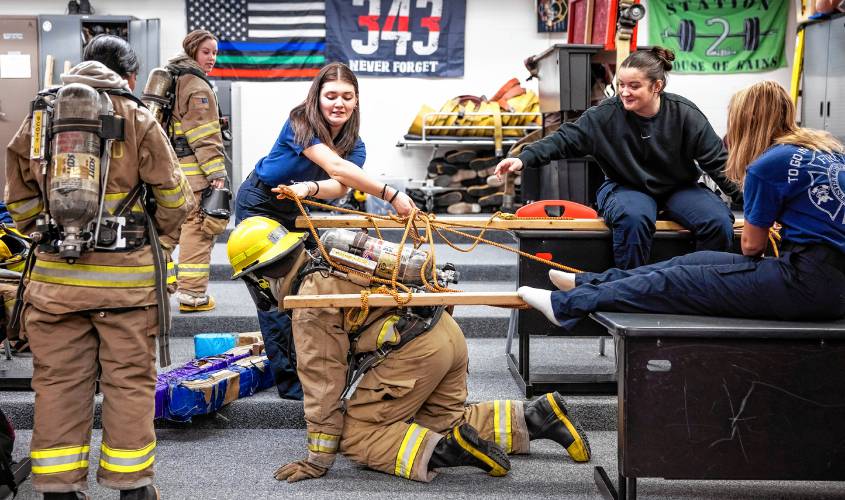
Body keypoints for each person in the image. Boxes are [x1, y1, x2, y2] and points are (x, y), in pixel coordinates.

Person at [226, 216, 592, 483]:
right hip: (445, 334)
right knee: (437, 420)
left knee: (356, 436)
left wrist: (319, 458)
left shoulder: (310, 302)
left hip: (414, 355)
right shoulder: (332, 254)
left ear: (261, 275)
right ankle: (537, 417)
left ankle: (448, 450)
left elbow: (323, 383)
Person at [5, 35, 193, 499]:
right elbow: (173, 194)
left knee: (57, 385)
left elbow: (19, 195)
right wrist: (161, 240)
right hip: (127, 289)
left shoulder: (40, 115)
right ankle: (133, 488)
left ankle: (58, 489)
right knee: (128, 384)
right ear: (130, 75)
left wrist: (43, 232)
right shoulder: (137, 115)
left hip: (54, 286)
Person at [517, 81, 845, 330]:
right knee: (694, 261)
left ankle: (565, 305)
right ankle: (590, 282)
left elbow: (751, 247)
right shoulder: (829, 150)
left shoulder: (768, 163)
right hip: (825, 277)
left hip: (809, 285)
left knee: (677, 282)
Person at [234, 62, 416, 399]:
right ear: (317, 97)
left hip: (294, 207)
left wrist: (308, 190)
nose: (339, 103)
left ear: (356, 101)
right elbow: (335, 166)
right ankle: (291, 384)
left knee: (302, 289)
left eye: (347, 96)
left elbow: (339, 185)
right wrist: (391, 194)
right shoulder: (299, 121)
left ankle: (311, 367)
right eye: (331, 95)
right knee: (273, 294)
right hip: (259, 202)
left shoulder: (353, 143)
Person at [495, 46, 742, 269]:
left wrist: (752, 202)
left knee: (718, 222)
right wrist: (524, 158)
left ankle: (702, 284)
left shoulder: (685, 114)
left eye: (634, 86)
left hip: (679, 188)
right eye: (621, 84)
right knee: (633, 219)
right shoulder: (605, 115)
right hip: (626, 187)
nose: (624, 92)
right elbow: (564, 139)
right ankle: (631, 290)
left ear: (657, 86)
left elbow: (719, 164)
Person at [159, 29, 229, 313]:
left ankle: (157, 287)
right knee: (198, 231)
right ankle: (192, 296)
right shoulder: (197, 86)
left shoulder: (172, 79)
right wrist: (216, 174)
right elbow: (204, 137)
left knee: (164, 234)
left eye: (214, 52)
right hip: (193, 175)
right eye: (206, 52)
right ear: (192, 51)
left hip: (166, 172)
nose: (212, 58)